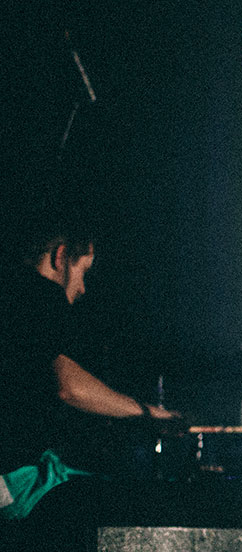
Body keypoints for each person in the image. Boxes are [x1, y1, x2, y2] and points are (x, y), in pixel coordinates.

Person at [0, 221, 178, 518]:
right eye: (82, 270)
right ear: (60, 256)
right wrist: (149, 413)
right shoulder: (41, 293)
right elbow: (71, 388)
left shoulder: (11, 294)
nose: (82, 287)